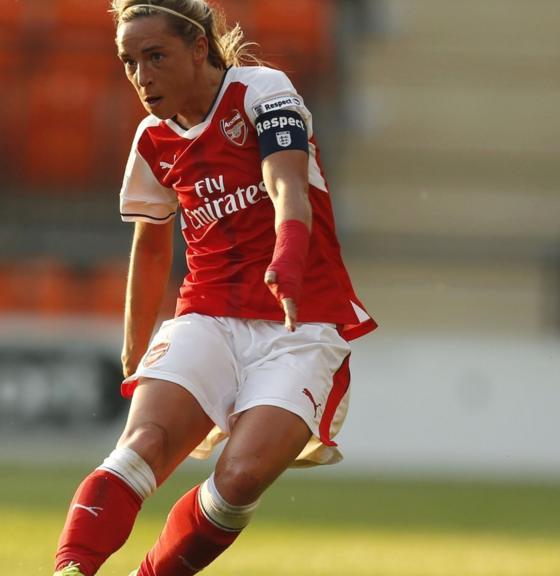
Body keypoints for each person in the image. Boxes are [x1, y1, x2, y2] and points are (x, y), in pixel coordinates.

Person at [53, 1, 377, 575]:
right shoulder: (152, 139)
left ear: (199, 47)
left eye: (156, 57)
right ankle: (69, 569)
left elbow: (287, 185)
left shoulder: (260, 90)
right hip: (207, 315)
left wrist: (287, 256)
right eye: (129, 62)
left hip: (299, 323)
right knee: (142, 445)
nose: (141, 76)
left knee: (240, 478)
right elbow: (152, 243)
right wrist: (135, 343)